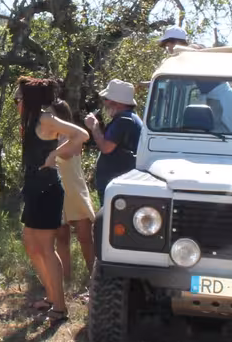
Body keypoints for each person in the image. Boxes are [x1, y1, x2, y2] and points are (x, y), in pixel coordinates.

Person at [16, 77, 74, 321]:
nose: (16, 101)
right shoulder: (29, 120)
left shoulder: (46, 118)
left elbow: (80, 135)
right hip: (33, 188)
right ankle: (51, 296)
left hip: (48, 188)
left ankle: (59, 308)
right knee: (31, 243)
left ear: (29, 99)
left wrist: (54, 154)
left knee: (47, 248)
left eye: (19, 97)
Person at [51, 97, 95, 281]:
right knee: (61, 238)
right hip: (58, 191)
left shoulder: (73, 136)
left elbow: (67, 153)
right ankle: (64, 278)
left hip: (75, 191)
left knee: (85, 237)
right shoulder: (49, 137)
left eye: (51, 115)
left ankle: (95, 277)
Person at [84, 79, 143, 207]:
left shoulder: (124, 120)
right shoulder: (130, 118)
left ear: (117, 103)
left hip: (116, 185)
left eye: (106, 99)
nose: (104, 103)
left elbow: (106, 147)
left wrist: (94, 127)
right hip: (119, 183)